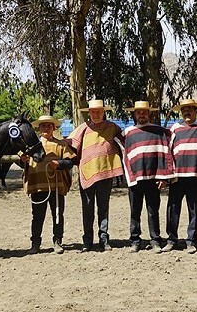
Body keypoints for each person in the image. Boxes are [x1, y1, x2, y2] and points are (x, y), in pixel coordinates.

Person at [161, 98, 197, 254]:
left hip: (196, 176)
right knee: (172, 208)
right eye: (184, 110)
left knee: (194, 209)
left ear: (196, 111)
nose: (187, 112)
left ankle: (191, 240)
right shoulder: (173, 129)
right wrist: (167, 175)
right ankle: (171, 240)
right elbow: (167, 153)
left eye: (190, 109)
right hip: (177, 176)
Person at [69, 99, 124, 252]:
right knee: (87, 208)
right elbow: (70, 146)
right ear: (89, 113)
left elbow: (125, 140)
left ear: (103, 112)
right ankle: (87, 240)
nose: (96, 114)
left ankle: (104, 238)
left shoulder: (112, 127)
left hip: (106, 173)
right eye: (93, 111)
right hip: (87, 174)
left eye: (99, 111)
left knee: (103, 208)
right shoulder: (82, 129)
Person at [120, 101, 175, 252]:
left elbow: (165, 153)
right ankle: (135, 240)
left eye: (144, 112)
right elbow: (124, 153)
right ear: (135, 114)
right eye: (139, 112)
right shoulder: (128, 133)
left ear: (149, 113)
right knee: (134, 211)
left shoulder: (159, 131)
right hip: (136, 178)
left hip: (153, 178)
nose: (142, 114)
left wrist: (164, 176)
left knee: (153, 210)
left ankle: (155, 240)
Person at [20, 115, 77, 254]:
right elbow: (23, 164)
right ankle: (35, 243)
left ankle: (57, 241)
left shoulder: (61, 144)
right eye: (43, 126)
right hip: (37, 185)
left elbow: (70, 162)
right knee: (37, 216)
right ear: (39, 128)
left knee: (57, 214)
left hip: (56, 185)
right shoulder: (31, 146)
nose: (46, 128)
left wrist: (59, 164)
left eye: (49, 126)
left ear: (54, 127)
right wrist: (23, 160)